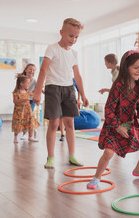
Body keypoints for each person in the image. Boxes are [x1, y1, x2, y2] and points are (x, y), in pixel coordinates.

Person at [86, 49, 139, 189]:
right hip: (114, 126)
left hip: (131, 125)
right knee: (108, 153)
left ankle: (138, 170)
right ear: (126, 67)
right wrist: (118, 127)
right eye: (135, 67)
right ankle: (96, 178)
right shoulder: (118, 86)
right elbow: (109, 110)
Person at [33, 18, 89, 169]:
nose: (74, 39)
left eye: (76, 37)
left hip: (68, 88)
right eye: (71, 36)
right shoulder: (52, 48)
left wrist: (83, 94)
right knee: (54, 123)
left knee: (70, 123)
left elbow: (77, 76)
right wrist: (38, 92)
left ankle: (72, 155)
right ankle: (50, 157)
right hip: (53, 88)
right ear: (61, 33)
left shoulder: (74, 53)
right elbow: (43, 70)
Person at [12, 74, 39, 143]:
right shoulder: (16, 92)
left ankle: (30, 137)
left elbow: (33, 94)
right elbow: (15, 101)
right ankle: (15, 137)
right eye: (27, 83)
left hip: (27, 111)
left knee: (31, 122)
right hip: (19, 112)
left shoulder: (27, 91)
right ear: (21, 84)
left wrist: (39, 90)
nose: (29, 84)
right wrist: (22, 100)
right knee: (18, 123)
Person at [20, 63, 38, 139]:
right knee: (24, 117)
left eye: (34, 70)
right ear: (26, 70)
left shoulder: (34, 81)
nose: (32, 71)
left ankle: (27, 133)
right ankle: (33, 129)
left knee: (28, 116)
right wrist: (30, 93)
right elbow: (20, 90)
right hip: (23, 100)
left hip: (31, 101)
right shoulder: (21, 79)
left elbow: (38, 89)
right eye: (30, 69)